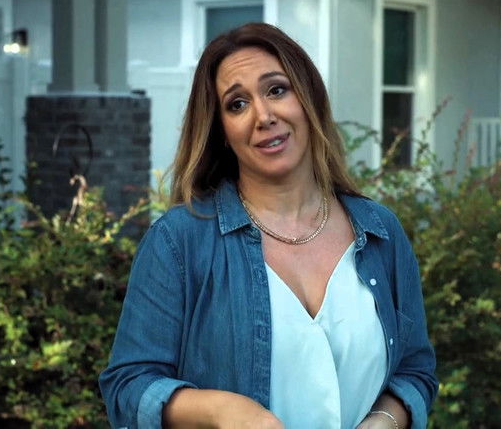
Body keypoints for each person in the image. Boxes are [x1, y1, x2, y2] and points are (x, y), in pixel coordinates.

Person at [100, 23, 437, 429]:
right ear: (221, 132)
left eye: (276, 90)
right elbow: (128, 387)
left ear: (308, 98)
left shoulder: (380, 231)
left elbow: (415, 371)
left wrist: (384, 420)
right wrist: (223, 411)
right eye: (237, 104)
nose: (263, 116)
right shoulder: (179, 240)